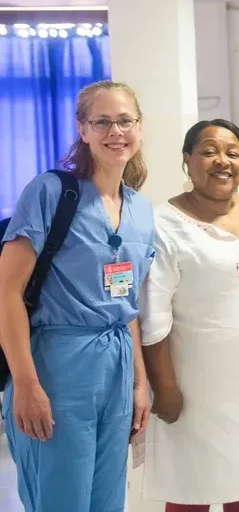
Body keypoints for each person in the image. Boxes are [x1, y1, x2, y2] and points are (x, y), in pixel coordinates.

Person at [0, 81, 155, 512]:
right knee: (61, 499)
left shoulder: (141, 210)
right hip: (58, 367)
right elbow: (6, 292)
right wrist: (27, 384)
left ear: (139, 128)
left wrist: (139, 384)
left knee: (108, 501)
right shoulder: (51, 192)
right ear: (82, 130)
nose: (115, 131)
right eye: (102, 122)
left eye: (125, 121)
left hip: (117, 366)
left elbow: (127, 306)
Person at [138, 119, 239, 512]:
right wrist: (165, 389)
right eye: (208, 151)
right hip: (197, 390)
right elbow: (153, 316)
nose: (222, 161)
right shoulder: (164, 224)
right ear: (187, 160)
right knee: (194, 486)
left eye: (232, 153)